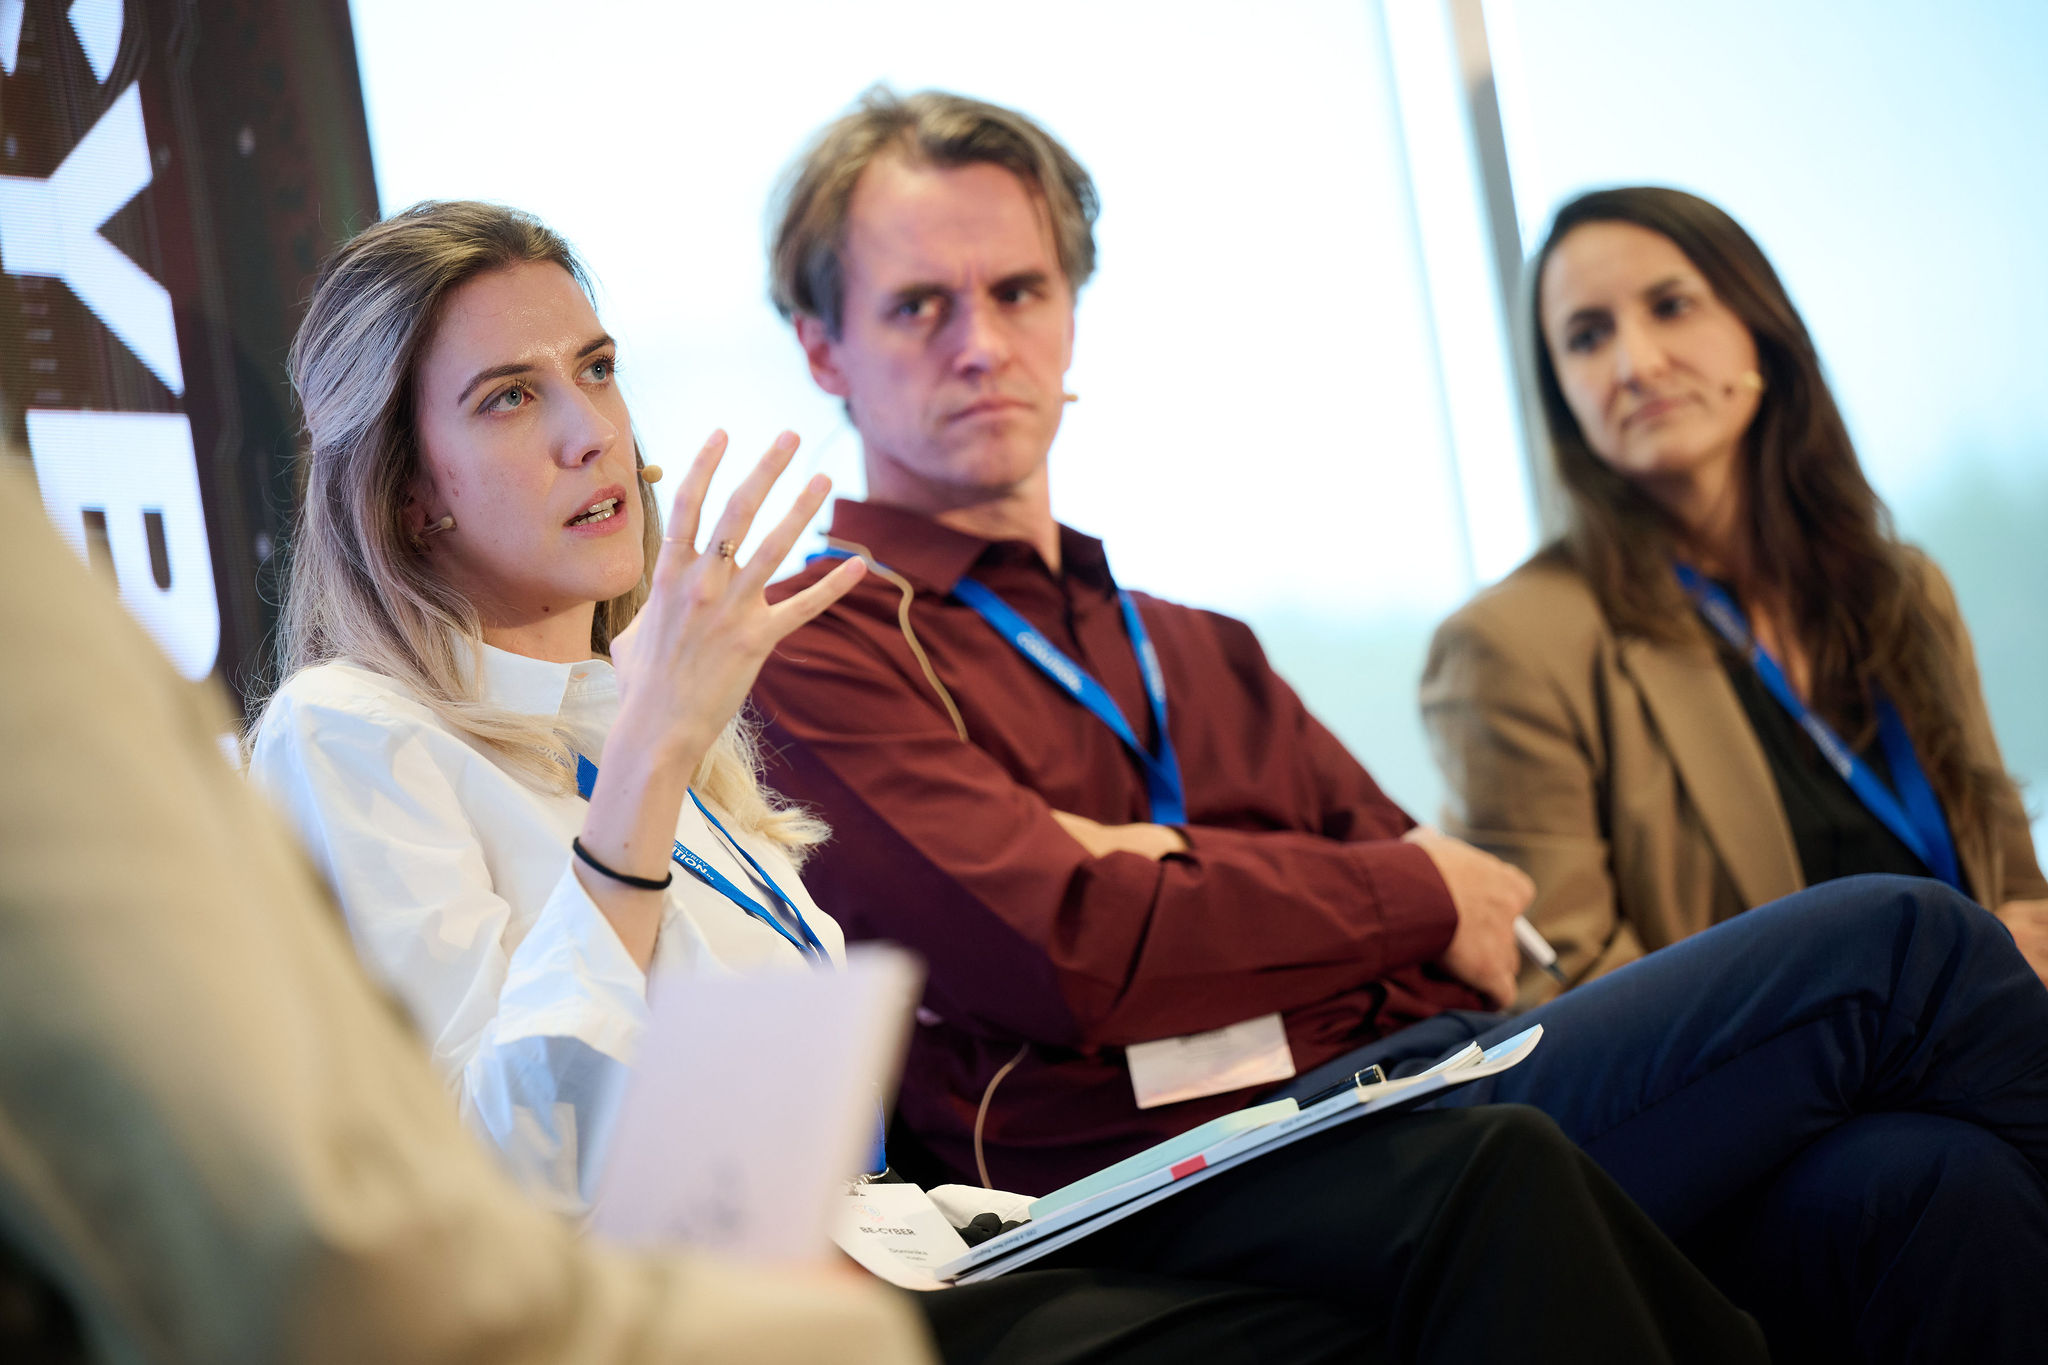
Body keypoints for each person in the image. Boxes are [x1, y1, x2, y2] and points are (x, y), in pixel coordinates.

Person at [238, 199, 1769, 1363]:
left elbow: (790, 1116)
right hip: (724, 1314)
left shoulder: (641, 714)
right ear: (409, 495)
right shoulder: (357, 731)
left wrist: (654, 746)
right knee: (1466, 1216)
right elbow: (509, 1175)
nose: (593, 433)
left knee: (1493, 1194)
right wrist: (644, 767)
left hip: (915, 1249)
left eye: (596, 369)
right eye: (508, 398)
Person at [749, 88, 2048, 1359]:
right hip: (1153, 1177)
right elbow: (1065, 946)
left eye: (1019, 291)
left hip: (1412, 1079)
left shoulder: (1200, 647)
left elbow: (1478, 932)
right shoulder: (816, 637)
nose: (981, 344)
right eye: (918, 306)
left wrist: (1178, 879)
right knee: (1904, 941)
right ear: (822, 350)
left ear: (1071, 313)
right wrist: (1369, 900)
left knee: (1930, 1183)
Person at [1421, 184, 2047, 1005]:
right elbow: (1570, 994)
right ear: (1563, 396)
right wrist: (1924, 1006)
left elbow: (2016, 890)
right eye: (1587, 336)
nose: (1636, 364)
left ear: (1762, 329)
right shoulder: (1510, 646)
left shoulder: (1903, 589)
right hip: (1811, 1085)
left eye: (1671, 307)